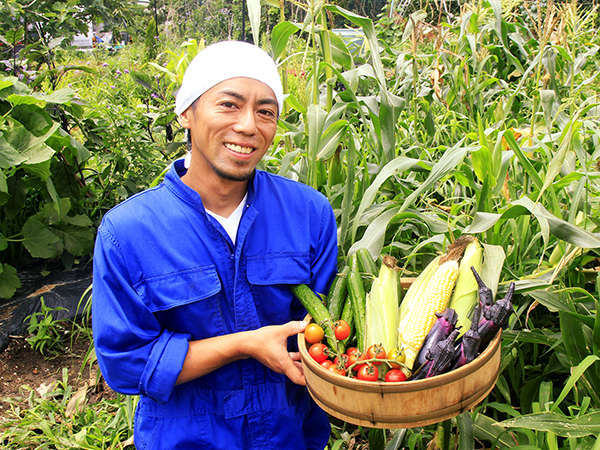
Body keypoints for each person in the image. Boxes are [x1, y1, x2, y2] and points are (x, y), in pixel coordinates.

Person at [92, 40, 338, 449]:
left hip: (291, 433)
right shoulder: (129, 231)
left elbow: (327, 333)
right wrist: (242, 345)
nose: (248, 125)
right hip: (187, 437)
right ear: (186, 112)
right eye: (229, 104)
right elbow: (126, 364)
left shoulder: (309, 213)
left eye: (266, 111)